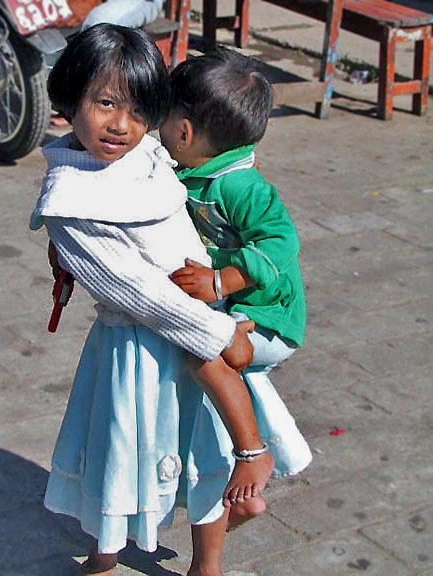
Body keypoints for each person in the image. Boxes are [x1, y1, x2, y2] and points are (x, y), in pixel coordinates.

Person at [31, 24, 274, 575]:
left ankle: (206, 564)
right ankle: (104, 556)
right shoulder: (70, 201)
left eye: (140, 110)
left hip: (203, 321)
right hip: (141, 346)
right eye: (106, 103)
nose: (122, 124)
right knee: (122, 453)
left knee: (204, 451)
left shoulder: (143, 151)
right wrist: (218, 335)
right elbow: (138, 294)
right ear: (69, 100)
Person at [161, 48, 312, 529]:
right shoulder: (194, 167)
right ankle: (250, 473)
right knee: (215, 376)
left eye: (160, 122)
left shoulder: (241, 186)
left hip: (269, 317)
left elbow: (282, 243)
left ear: (184, 132)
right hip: (241, 311)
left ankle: (255, 454)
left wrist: (220, 281)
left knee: (206, 354)